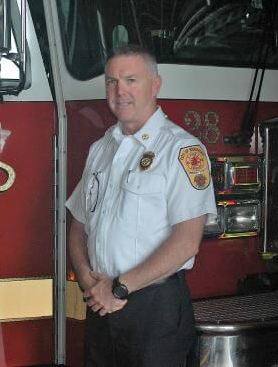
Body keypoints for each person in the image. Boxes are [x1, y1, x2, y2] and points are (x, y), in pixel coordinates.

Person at [66, 44, 217, 367]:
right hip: (101, 304)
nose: (120, 91)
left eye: (131, 80)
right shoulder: (101, 149)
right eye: (111, 82)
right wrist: (87, 280)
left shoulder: (182, 150)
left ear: (156, 85)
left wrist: (119, 289)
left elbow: (187, 242)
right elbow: (78, 225)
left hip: (154, 310)